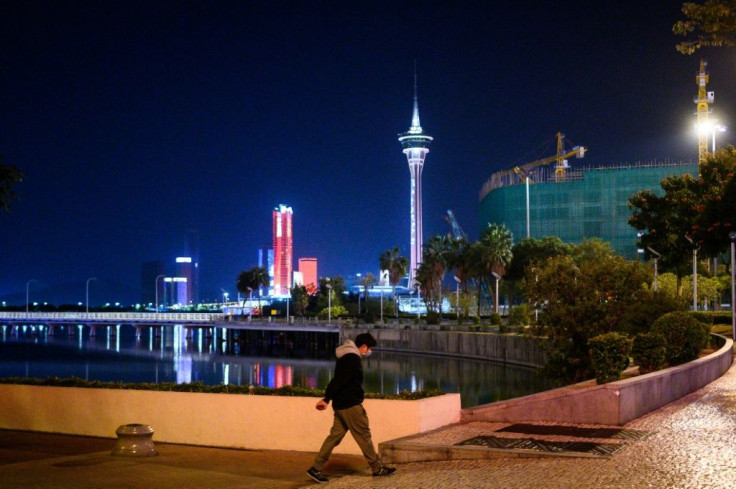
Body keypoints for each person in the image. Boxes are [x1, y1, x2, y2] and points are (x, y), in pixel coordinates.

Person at [306, 333, 396, 484]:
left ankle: (315, 468)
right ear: (363, 346)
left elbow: (338, 379)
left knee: (334, 438)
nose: (369, 352)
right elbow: (339, 380)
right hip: (350, 405)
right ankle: (377, 467)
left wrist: (329, 399)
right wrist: (326, 398)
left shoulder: (345, 356)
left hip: (340, 404)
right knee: (363, 436)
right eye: (369, 348)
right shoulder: (352, 358)